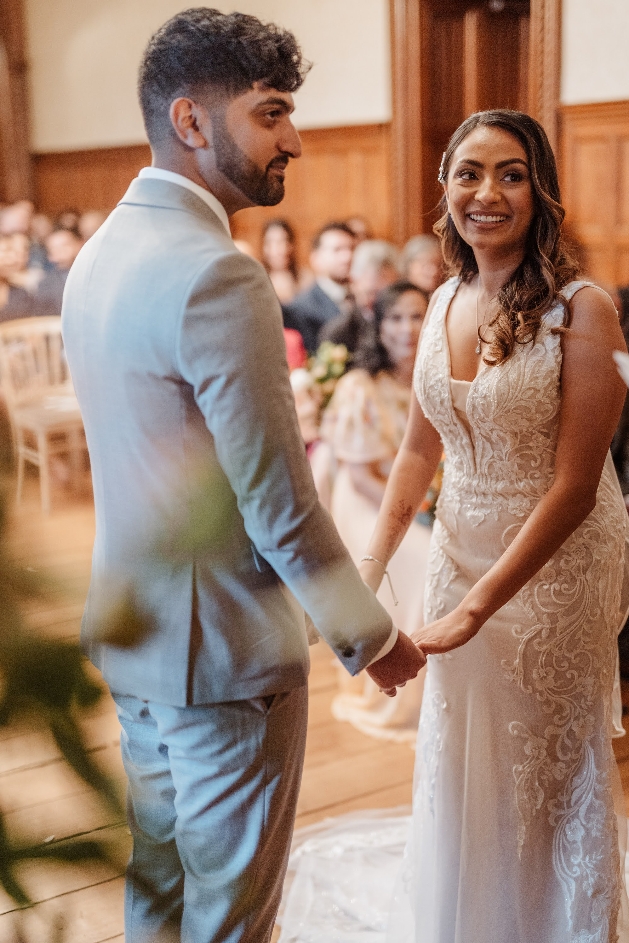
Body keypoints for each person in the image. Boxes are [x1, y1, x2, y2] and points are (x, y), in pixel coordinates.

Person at [61, 10, 424, 943]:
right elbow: (279, 503)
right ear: (191, 121)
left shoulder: (98, 255)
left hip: (134, 634)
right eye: (270, 114)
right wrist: (370, 634)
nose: (294, 140)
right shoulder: (216, 273)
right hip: (222, 657)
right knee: (231, 919)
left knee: (162, 897)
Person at [358, 108, 629, 942]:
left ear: (538, 190)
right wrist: (361, 577)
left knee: (540, 758)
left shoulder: (582, 311)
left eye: (509, 173)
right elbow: (413, 452)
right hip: (455, 547)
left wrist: (477, 605)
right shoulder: (440, 298)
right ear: (444, 188)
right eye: (468, 172)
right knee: (463, 746)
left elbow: (577, 486)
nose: (486, 192)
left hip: (555, 568)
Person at [321, 281, 431, 742]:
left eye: (417, 316)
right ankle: (406, 685)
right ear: (378, 326)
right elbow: (361, 476)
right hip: (369, 500)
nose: (408, 329)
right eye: (396, 318)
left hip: (425, 498)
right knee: (427, 561)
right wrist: (421, 510)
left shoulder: (436, 380)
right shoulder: (359, 386)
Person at [282, 221, 355, 353]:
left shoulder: (364, 298)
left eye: (352, 248)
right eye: (337, 250)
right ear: (316, 258)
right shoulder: (301, 308)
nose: (347, 257)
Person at [320, 239, 401, 355]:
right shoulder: (339, 332)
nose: (378, 301)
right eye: (371, 293)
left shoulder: (408, 328)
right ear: (353, 283)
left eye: (386, 293)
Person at [34, 227, 83, 316]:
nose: (61, 250)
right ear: (50, 256)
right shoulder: (45, 284)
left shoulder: (94, 276)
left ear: (79, 245)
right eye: (54, 248)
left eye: (65, 245)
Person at [261, 217, 304, 304]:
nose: (277, 250)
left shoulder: (306, 279)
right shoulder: (258, 280)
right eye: (270, 243)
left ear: (291, 245)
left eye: (282, 241)